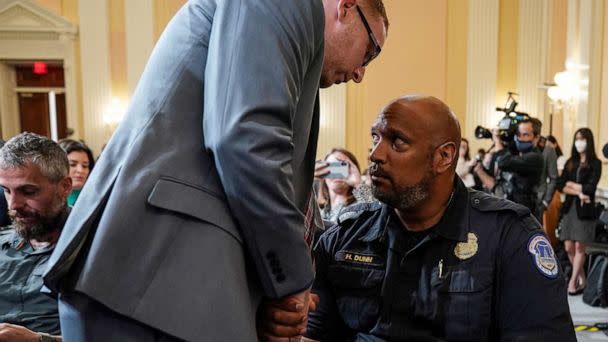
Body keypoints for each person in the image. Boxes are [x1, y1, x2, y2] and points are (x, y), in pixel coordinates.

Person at [42, 0, 389, 341]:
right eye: (370, 52)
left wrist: (273, 295)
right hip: (154, 278)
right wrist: (292, 284)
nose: (360, 73)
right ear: (346, 7)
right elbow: (247, 139)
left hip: (165, 287)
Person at [299, 96, 575, 341]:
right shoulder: (346, 236)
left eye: (397, 142)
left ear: (444, 156)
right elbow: (314, 333)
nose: (375, 154)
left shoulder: (509, 236)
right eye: (375, 138)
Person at [0, 132, 72, 342]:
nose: (13, 206)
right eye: (6, 191)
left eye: (28, 192)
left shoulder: (93, 248)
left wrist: (40, 340)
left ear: (65, 187)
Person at [556, 128, 602, 295]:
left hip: (585, 211)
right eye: (577, 138)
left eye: (582, 139)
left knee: (579, 247)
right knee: (568, 247)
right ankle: (583, 279)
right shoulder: (571, 161)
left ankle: (572, 283)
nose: (579, 142)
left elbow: (590, 188)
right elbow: (560, 184)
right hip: (569, 209)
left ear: (588, 141)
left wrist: (572, 186)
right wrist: (579, 192)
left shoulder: (595, 163)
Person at [474, 119, 544, 218]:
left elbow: (503, 162)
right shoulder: (518, 154)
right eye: (518, 134)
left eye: (526, 135)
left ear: (536, 138)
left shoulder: (535, 157)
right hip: (510, 210)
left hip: (524, 214)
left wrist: (497, 140)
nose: (520, 138)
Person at [315, 148, 372, 223]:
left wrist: (358, 184)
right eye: (332, 167)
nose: (337, 173)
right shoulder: (319, 210)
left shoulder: (360, 206)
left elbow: (375, 214)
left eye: (343, 167)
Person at [58, 139, 95, 206]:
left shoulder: (95, 198)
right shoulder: (47, 198)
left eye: (85, 166)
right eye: (72, 164)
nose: (80, 170)